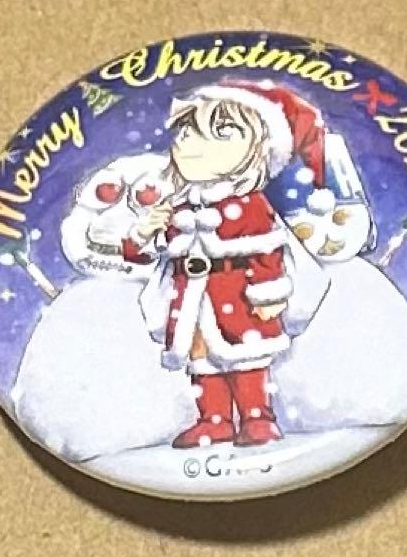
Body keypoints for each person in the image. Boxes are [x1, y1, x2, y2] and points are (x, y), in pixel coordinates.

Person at [121, 80, 331, 448]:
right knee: (202, 361)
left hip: (240, 298)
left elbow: (268, 251)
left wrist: (268, 295)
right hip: (192, 300)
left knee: (246, 359)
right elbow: (145, 257)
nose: (189, 142)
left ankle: (257, 418)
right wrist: (144, 232)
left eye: (219, 133)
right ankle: (213, 421)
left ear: (258, 150)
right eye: (186, 132)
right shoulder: (180, 206)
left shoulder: (250, 205)